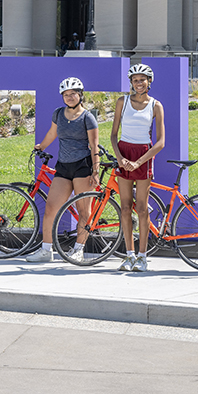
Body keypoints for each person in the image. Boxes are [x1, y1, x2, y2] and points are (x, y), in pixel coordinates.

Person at [25, 77, 100, 263]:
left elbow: (94, 145)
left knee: (84, 211)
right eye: (66, 95)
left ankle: (79, 250)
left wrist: (96, 171)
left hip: (83, 166)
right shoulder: (58, 113)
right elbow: (53, 133)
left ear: (80, 95)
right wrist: (40, 146)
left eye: (73, 94)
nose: (70, 97)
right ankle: (46, 250)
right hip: (63, 166)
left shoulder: (87, 117)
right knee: (51, 208)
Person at [110, 64, 165, 272]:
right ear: (131, 82)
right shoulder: (122, 102)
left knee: (141, 208)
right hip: (124, 153)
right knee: (125, 207)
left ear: (149, 82)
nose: (139, 83)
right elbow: (114, 135)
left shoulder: (156, 106)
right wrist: (120, 158)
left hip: (143, 156)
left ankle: (143, 256)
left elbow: (160, 142)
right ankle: (129, 255)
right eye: (135, 80)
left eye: (142, 80)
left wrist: (139, 162)